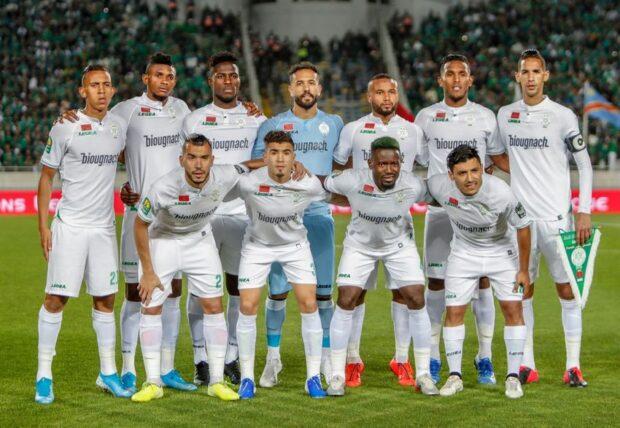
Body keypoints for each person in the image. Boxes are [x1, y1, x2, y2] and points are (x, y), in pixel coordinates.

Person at [130, 134, 258, 402]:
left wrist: (285, 164)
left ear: (212, 160)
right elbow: (140, 225)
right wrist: (148, 272)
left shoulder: (223, 175)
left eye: (204, 158)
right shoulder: (164, 187)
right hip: (163, 241)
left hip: (199, 241)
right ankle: (152, 382)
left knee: (213, 306)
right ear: (182, 160)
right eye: (192, 158)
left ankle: (216, 381)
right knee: (151, 307)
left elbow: (249, 165)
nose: (198, 165)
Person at [35, 65, 130, 404]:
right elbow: (47, 177)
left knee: (105, 300)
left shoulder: (119, 127)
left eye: (106, 84)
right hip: (71, 227)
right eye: (94, 85)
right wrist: (43, 225)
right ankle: (44, 375)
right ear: (82, 91)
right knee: (55, 299)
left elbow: (128, 159)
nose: (102, 91)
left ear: (113, 90)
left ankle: (107, 373)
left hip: (104, 228)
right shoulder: (65, 127)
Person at [497, 49, 593, 386]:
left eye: (537, 71)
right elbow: (498, 155)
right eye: (526, 71)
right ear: (518, 76)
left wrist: (583, 210)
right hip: (521, 221)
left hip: (557, 218)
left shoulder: (563, 116)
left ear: (546, 75)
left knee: (568, 290)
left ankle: (573, 365)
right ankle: (527, 364)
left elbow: (584, 163)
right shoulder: (505, 114)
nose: (532, 77)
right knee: (524, 289)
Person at [414, 53, 509, 384]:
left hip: (477, 214)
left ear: (471, 80)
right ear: (440, 80)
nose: (456, 79)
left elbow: (493, 162)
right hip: (441, 212)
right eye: (449, 74)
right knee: (437, 283)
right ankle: (435, 356)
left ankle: (484, 357)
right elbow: (421, 160)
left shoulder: (485, 117)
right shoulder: (425, 118)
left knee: (482, 282)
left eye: (462, 74)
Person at [332, 74, 428, 387]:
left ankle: (401, 359)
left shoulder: (412, 130)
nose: (386, 98)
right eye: (379, 93)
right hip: (362, 227)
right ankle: (352, 359)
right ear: (369, 96)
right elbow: (338, 169)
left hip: (398, 227)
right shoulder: (353, 129)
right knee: (353, 294)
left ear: (397, 95)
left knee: (405, 292)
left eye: (391, 92)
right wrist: (356, 197)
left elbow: (424, 167)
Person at [252, 62, 344, 387]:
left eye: (311, 83)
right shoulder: (273, 125)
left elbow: (342, 167)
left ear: (319, 89)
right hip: (282, 221)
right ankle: (273, 360)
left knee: (323, 296)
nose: (306, 88)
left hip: (319, 218)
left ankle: (329, 363)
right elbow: (256, 166)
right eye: (299, 83)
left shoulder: (334, 124)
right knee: (277, 295)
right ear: (290, 89)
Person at [325, 137, 438, 396]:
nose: (389, 169)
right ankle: (337, 375)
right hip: (359, 245)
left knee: (416, 297)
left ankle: (422, 374)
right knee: (346, 297)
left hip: (399, 245)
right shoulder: (352, 179)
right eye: (382, 164)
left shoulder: (412, 183)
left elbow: (438, 195)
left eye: (394, 164)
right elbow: (324, 184)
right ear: (370, 163)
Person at [182, 51, 266, 385]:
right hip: (202, 217)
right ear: (210, 80)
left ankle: (231, 355)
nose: (227, 81)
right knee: (199, 288)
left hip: (242, 216)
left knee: (237, 288)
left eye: (233, 76)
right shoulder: (195, 120)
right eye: (221, 76)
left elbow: (262, 162)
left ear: (239, 80)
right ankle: (200, 357)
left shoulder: (256, 119)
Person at [427, 145, 531, 399]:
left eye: (475, 170)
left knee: (513, 310)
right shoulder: (439, 186)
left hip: (501, 255)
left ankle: (513, 376)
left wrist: (523, 271)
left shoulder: (502, 192)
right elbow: (414, 187)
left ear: (483, 169)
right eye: (462, 173)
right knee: (454, 312)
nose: (470, 178)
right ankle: (455, 376)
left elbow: (524, 226)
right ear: (451, 175)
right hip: (463, 255)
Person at [235, 130, 327, 399]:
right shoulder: (248, 184)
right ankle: (247, 378)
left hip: (295, 246)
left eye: (286, 153)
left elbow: (330, 197)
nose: (279, 159)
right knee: (247, 305)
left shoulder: (309, 184)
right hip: (257, 246)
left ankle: (313, 377)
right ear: (265, 156)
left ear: (294, 157)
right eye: (273, 152)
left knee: (309, 304)